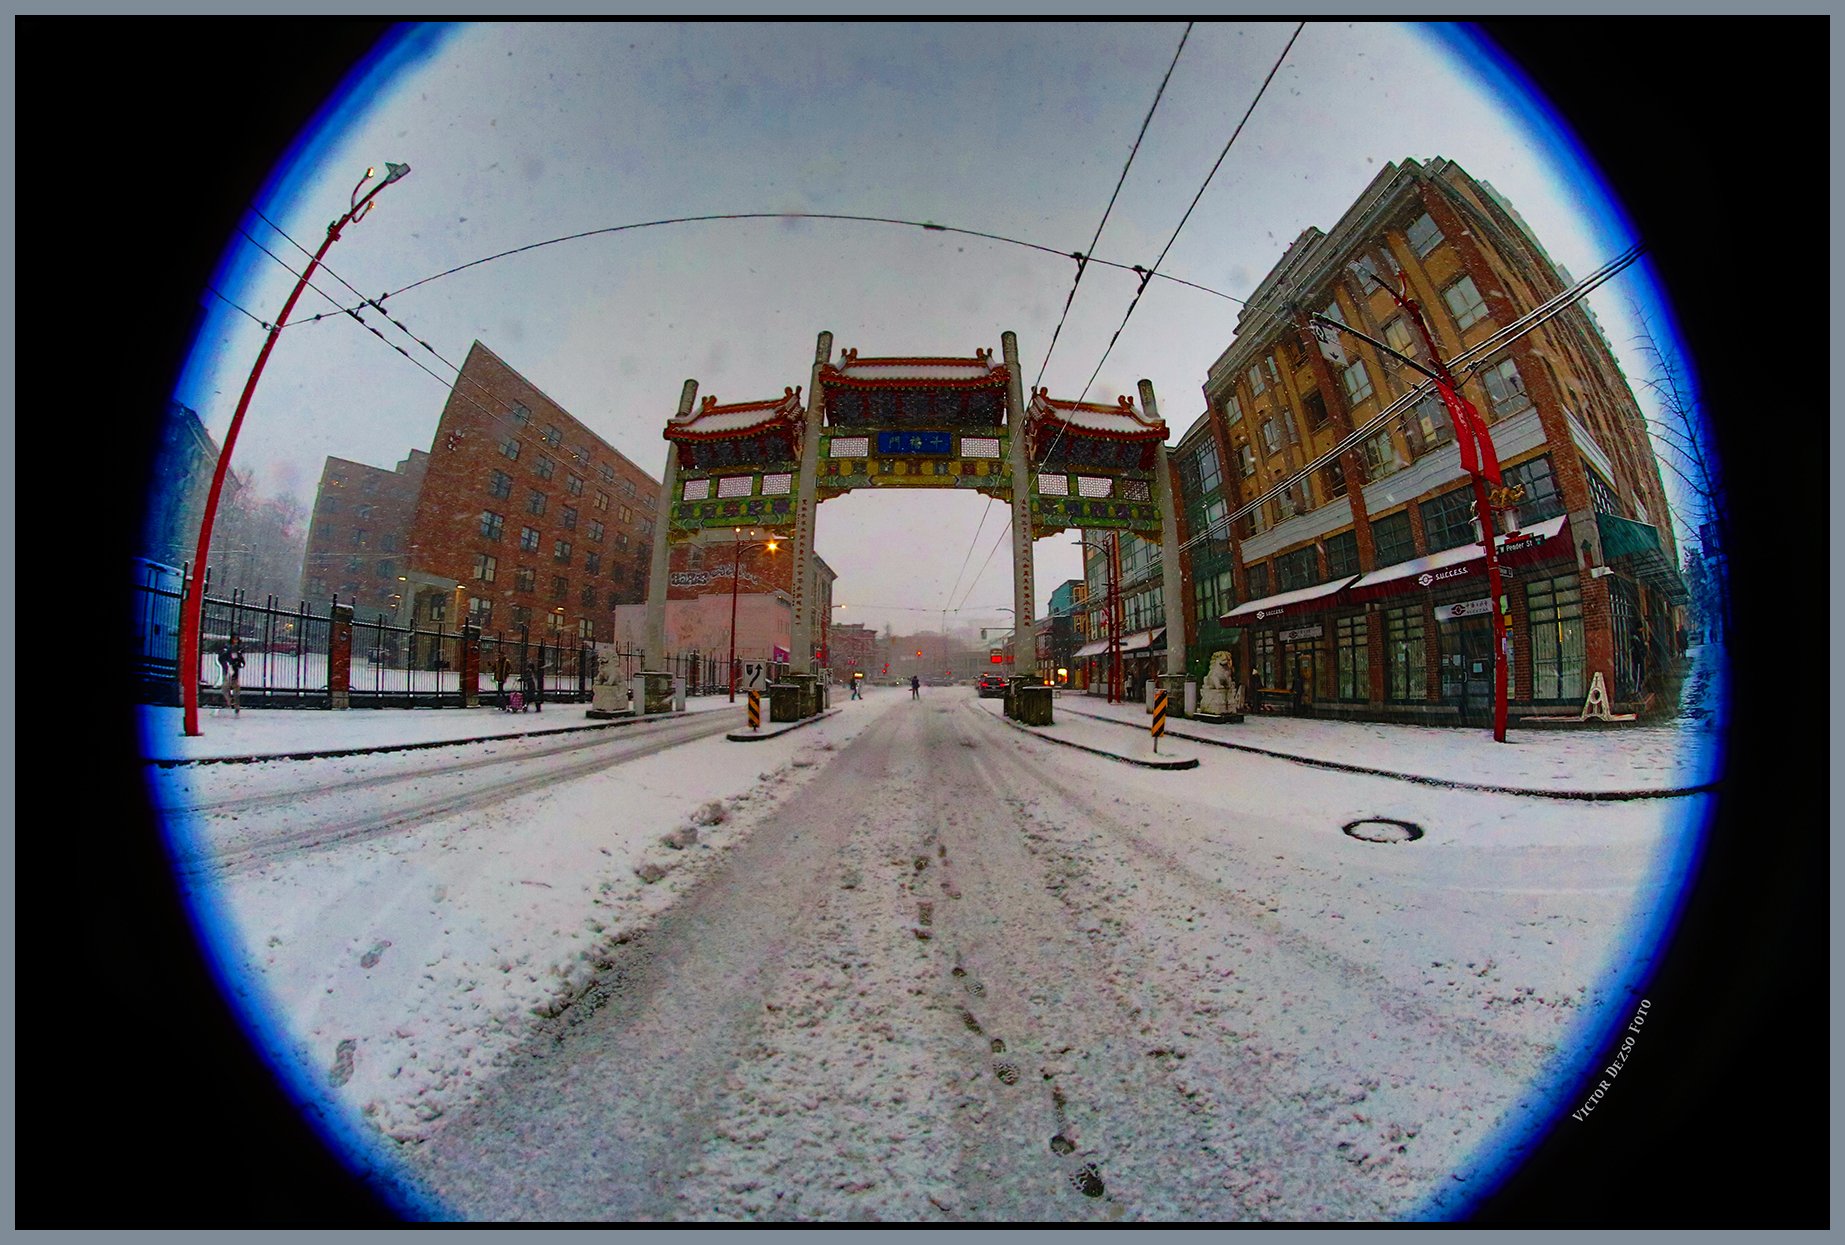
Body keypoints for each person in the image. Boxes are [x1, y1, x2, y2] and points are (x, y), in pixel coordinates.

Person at [215, 636, 246, 717]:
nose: (235, 641)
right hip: (228, 671)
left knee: (235, 689)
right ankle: (231, 702)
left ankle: (235, 705)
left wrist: (238, 663)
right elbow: (221, 658)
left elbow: (241, 662)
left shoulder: (238, 650)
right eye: (234, 639)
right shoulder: (228, 649)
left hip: (234, 672)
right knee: (226, 688)